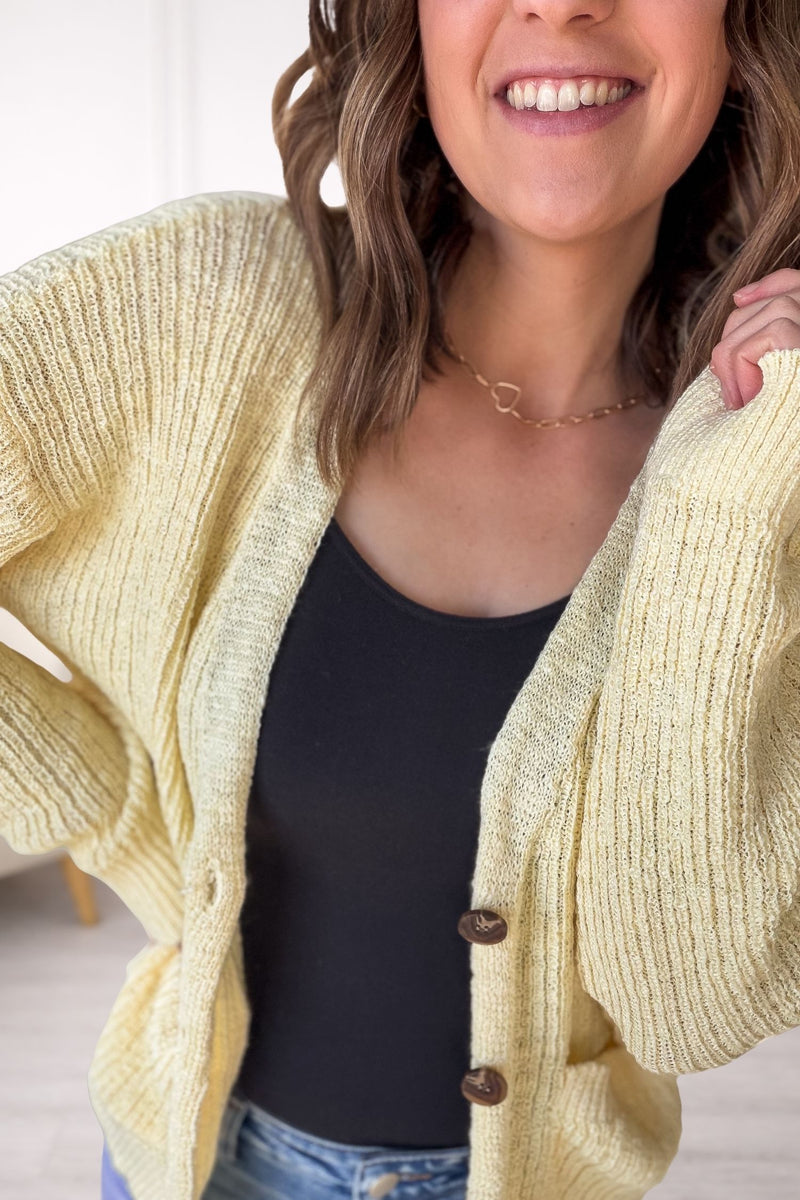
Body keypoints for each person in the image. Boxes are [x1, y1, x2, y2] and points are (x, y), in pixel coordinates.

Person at [2, 0, 800, 1198]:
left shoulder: (768, 458)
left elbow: (685, 1000)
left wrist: (727, 517)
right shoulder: (212, 309)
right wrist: (105, 801)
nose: (561, 5)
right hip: (189, 1159)